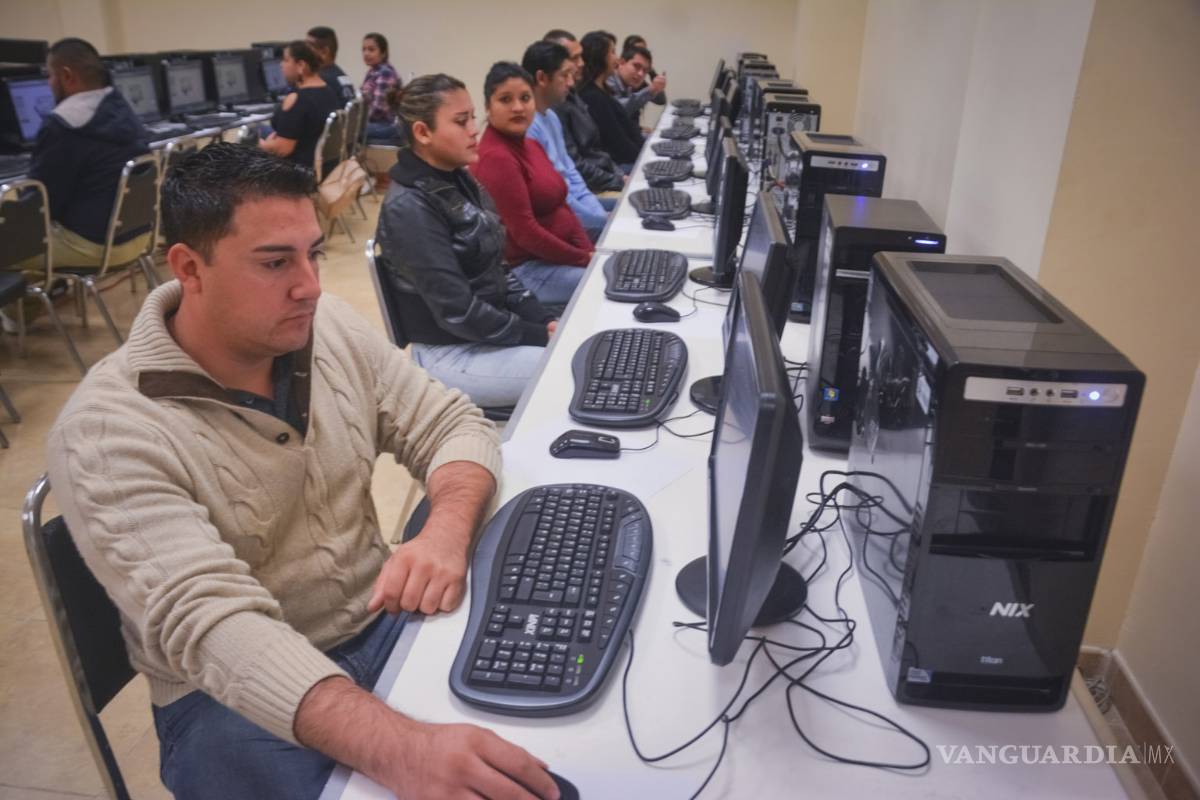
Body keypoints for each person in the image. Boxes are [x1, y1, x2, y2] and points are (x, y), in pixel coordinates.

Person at [45, 142, 562, 800]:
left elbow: (450, 423)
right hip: (221, 698)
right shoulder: (106, 432)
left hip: (378, 617)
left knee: (538, 718)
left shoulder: (323, 327)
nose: (310, 285)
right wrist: (404, 748)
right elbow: (216, 627)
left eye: (312, 253)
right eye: (274, 262)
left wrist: (442, 533)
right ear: (189, 268)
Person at [377, 74, 558, 408]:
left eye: (473, 116)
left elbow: (498, 267)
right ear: (423, 132)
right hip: (451, 352)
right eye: (461, 121)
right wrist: (534, 334)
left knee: (574, 346)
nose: (474, 129)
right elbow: (458, 312)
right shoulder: (410, 208)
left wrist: (542, 318)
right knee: (571, 369)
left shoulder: (458, 178)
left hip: (486, 334)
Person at [471, 62, 591, 307]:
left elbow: (562, 204)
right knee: (607, 283)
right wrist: (584, 258)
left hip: (558, 258)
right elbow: (525, 234)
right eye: (505, 99)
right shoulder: (497, 157)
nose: (517, 107)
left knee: (617, 270)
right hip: (526, 270)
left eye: (525, 98)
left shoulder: (531, 145)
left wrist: (588, 252)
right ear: (488, 107)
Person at [26, 37, 150, 269]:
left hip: (94, 246)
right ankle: (35, 300)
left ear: (67, 76)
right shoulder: (120, 108)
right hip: (137, 236)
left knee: (13, 245)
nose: (49, 83)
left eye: (50, 76)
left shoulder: (63, 124)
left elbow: (39, 204)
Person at [522, 40, 608, 240]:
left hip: (577, 205)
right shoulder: (528, 128)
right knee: (621, 228)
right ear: (542, 78)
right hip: (559, 215)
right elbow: (557, 195)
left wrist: (598, 213)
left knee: (624, 214)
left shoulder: (551, 116)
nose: (571, 83)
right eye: (564, 75)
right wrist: (600, 219)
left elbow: (571, 172)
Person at [543, 29, 624, 199]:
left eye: (581, 56)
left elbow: (599, 151)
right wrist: (619, 180)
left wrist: (620, 176)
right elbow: (575, 166)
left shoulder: (573, 94)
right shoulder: (554, 108)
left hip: (604, 178)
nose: (581, 63)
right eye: (574, 58)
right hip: (594, 187)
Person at [260, 40, 341, 174]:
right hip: (327, 167)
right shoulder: (329, 91)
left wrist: (257, 145)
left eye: (286, 60)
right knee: (263, 131)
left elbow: (282, 150)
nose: (281, 65)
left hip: (299, 171)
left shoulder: (297, 100)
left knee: (248, 138)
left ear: (300, 65)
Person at [577, 31, 645, 168]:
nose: (617, 59)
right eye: (612, 52)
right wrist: (644, 158)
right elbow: (617, 144)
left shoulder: (602, 91)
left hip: (630, 158)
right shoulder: (592, 97)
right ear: (600, 56)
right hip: (621, 165)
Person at [606, 44, 666, 125]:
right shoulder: (608, 81)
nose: (641, 74)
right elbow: (618, 111)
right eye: (636, 66)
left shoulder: (628, 85)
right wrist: (650, 90)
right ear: (621, 63)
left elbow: (661, 101)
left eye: (645, 71)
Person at [360, 32, 403, 145]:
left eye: (371, 49)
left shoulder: (385, 72)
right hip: (377, 123)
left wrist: (357, 121)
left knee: (351, 132)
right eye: (364, 49)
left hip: (387, 125)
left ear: (383, 53)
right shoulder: (372, 71)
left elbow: (378, 109)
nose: (366, 53)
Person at [306, 25, 356, 103]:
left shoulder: (320, 81)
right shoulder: (341, 75)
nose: (304, 51)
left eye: (309, 46)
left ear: (324, 51)